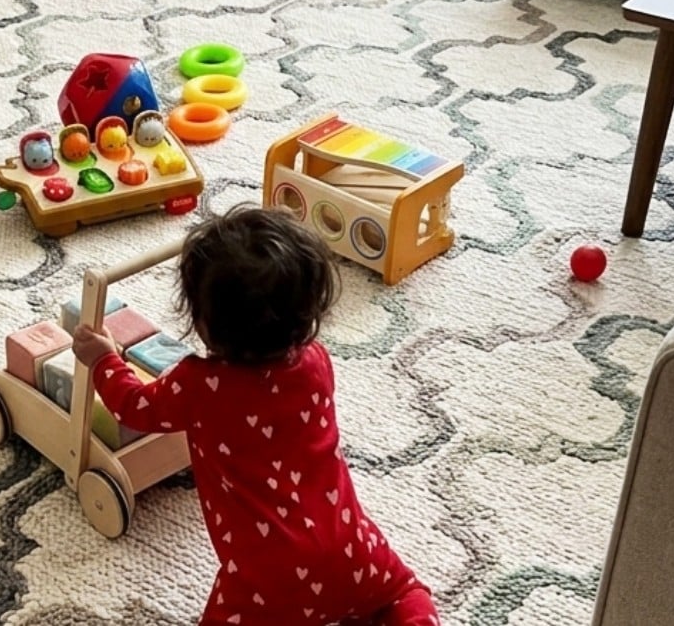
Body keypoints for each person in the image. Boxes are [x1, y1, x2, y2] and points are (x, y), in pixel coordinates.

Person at [71, 206, 439, 625]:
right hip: (349, 549)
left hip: (267, 578)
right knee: (405, 593)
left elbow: (133, 406)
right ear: (309, 313)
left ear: (204, 325)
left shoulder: (198, 386)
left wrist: (104, 359)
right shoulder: (316, 362)